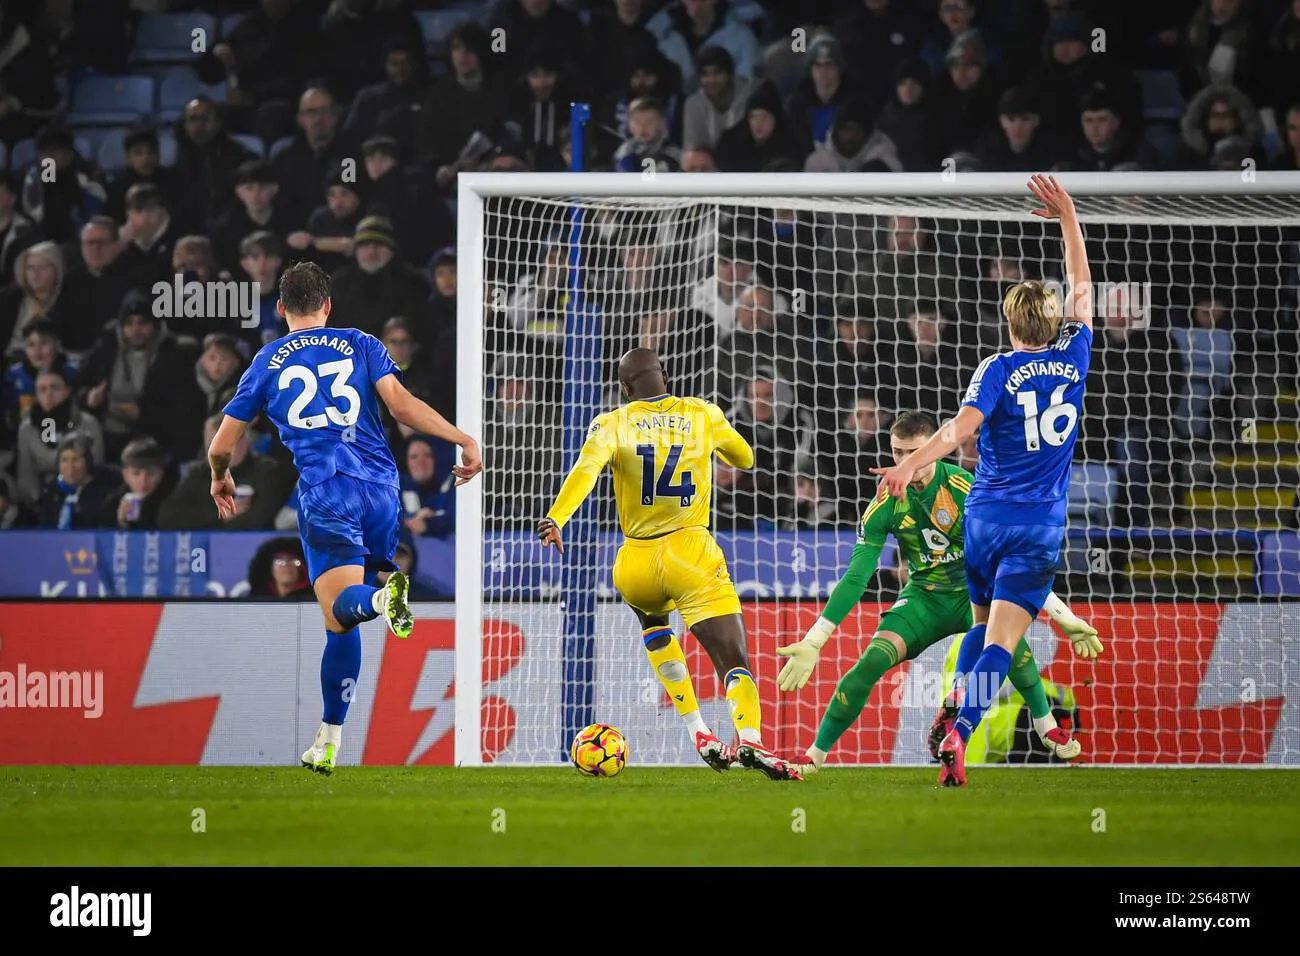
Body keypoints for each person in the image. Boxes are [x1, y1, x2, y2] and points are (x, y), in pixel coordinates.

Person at [207, 261, 482, 775]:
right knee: (342, 618)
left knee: (338, 609)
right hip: (382, 488)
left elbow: (222, 444)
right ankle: (329, 739)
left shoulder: (265, 361)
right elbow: (400, 407)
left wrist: (221, 476)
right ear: (328, 306)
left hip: (327, 488)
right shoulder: (360, 342)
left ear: (281, 308)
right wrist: (463, 438)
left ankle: (383, 597)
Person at [871, 175, 1096, 787]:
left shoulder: (997, 368)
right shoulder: (1075, 355)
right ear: (1051, 322)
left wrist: (909, 466)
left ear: (1010, 324)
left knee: (978, 627)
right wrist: (1069, 217)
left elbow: (959, 431)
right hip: (1037, 527)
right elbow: (1081, 289)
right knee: (1002, 641)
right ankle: (961, 730)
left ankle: (951, 704)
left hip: (984, 519)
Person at [774, 410, 1101, 774]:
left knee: (1009, 648)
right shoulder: (885, 503)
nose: (903, 461)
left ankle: (1046, 727)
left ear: (935, 449)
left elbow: (1011, 568)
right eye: (896, 452)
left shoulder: (967, 490)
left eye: (912, 452)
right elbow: (856, 576)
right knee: (869, 663)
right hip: (924, 600)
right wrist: (816, 639)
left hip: (972, 596)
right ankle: (815, 757)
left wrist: (1063, 615)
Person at [538, 347, 802, 781]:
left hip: (635, 561)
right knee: (732, 657)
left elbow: (585, 470)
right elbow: (746, 459)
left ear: (625, 390)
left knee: (657, 631)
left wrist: (556, 517)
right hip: (689, 552)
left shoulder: (611, 423)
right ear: (664, 375)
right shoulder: (703, 413)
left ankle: (698, 731)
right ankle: (749, 739)